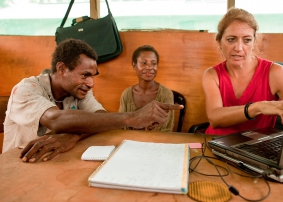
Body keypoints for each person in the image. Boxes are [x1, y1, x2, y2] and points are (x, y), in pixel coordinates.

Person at [3, 38, 183, 162]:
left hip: (55, 163)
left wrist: (70, 136)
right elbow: (56, 120)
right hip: (19, 165)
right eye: (85, 75)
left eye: (93, 76)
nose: (90, 83)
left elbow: (100, 116)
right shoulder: (27, 89)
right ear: (62, 69)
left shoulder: (78, 90)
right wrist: (132, 118)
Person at [203, 7, 283, 135]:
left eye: (247, 40)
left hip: (257, 148)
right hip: (215, 144)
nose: (239, 48)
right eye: (231, 39)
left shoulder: (276, 72)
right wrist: (258, 107)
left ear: (254, 42)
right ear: (219, 42)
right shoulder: (211, 75)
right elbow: (215, 119)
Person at [119, 45, 174, 132]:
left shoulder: (166, 94)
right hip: (130, 142)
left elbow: (167, 128)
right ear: (134, 65)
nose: (149, 67)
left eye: (153, 63)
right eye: (144, 63)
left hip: (156, 143)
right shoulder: (126, 94)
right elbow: (121, 125)